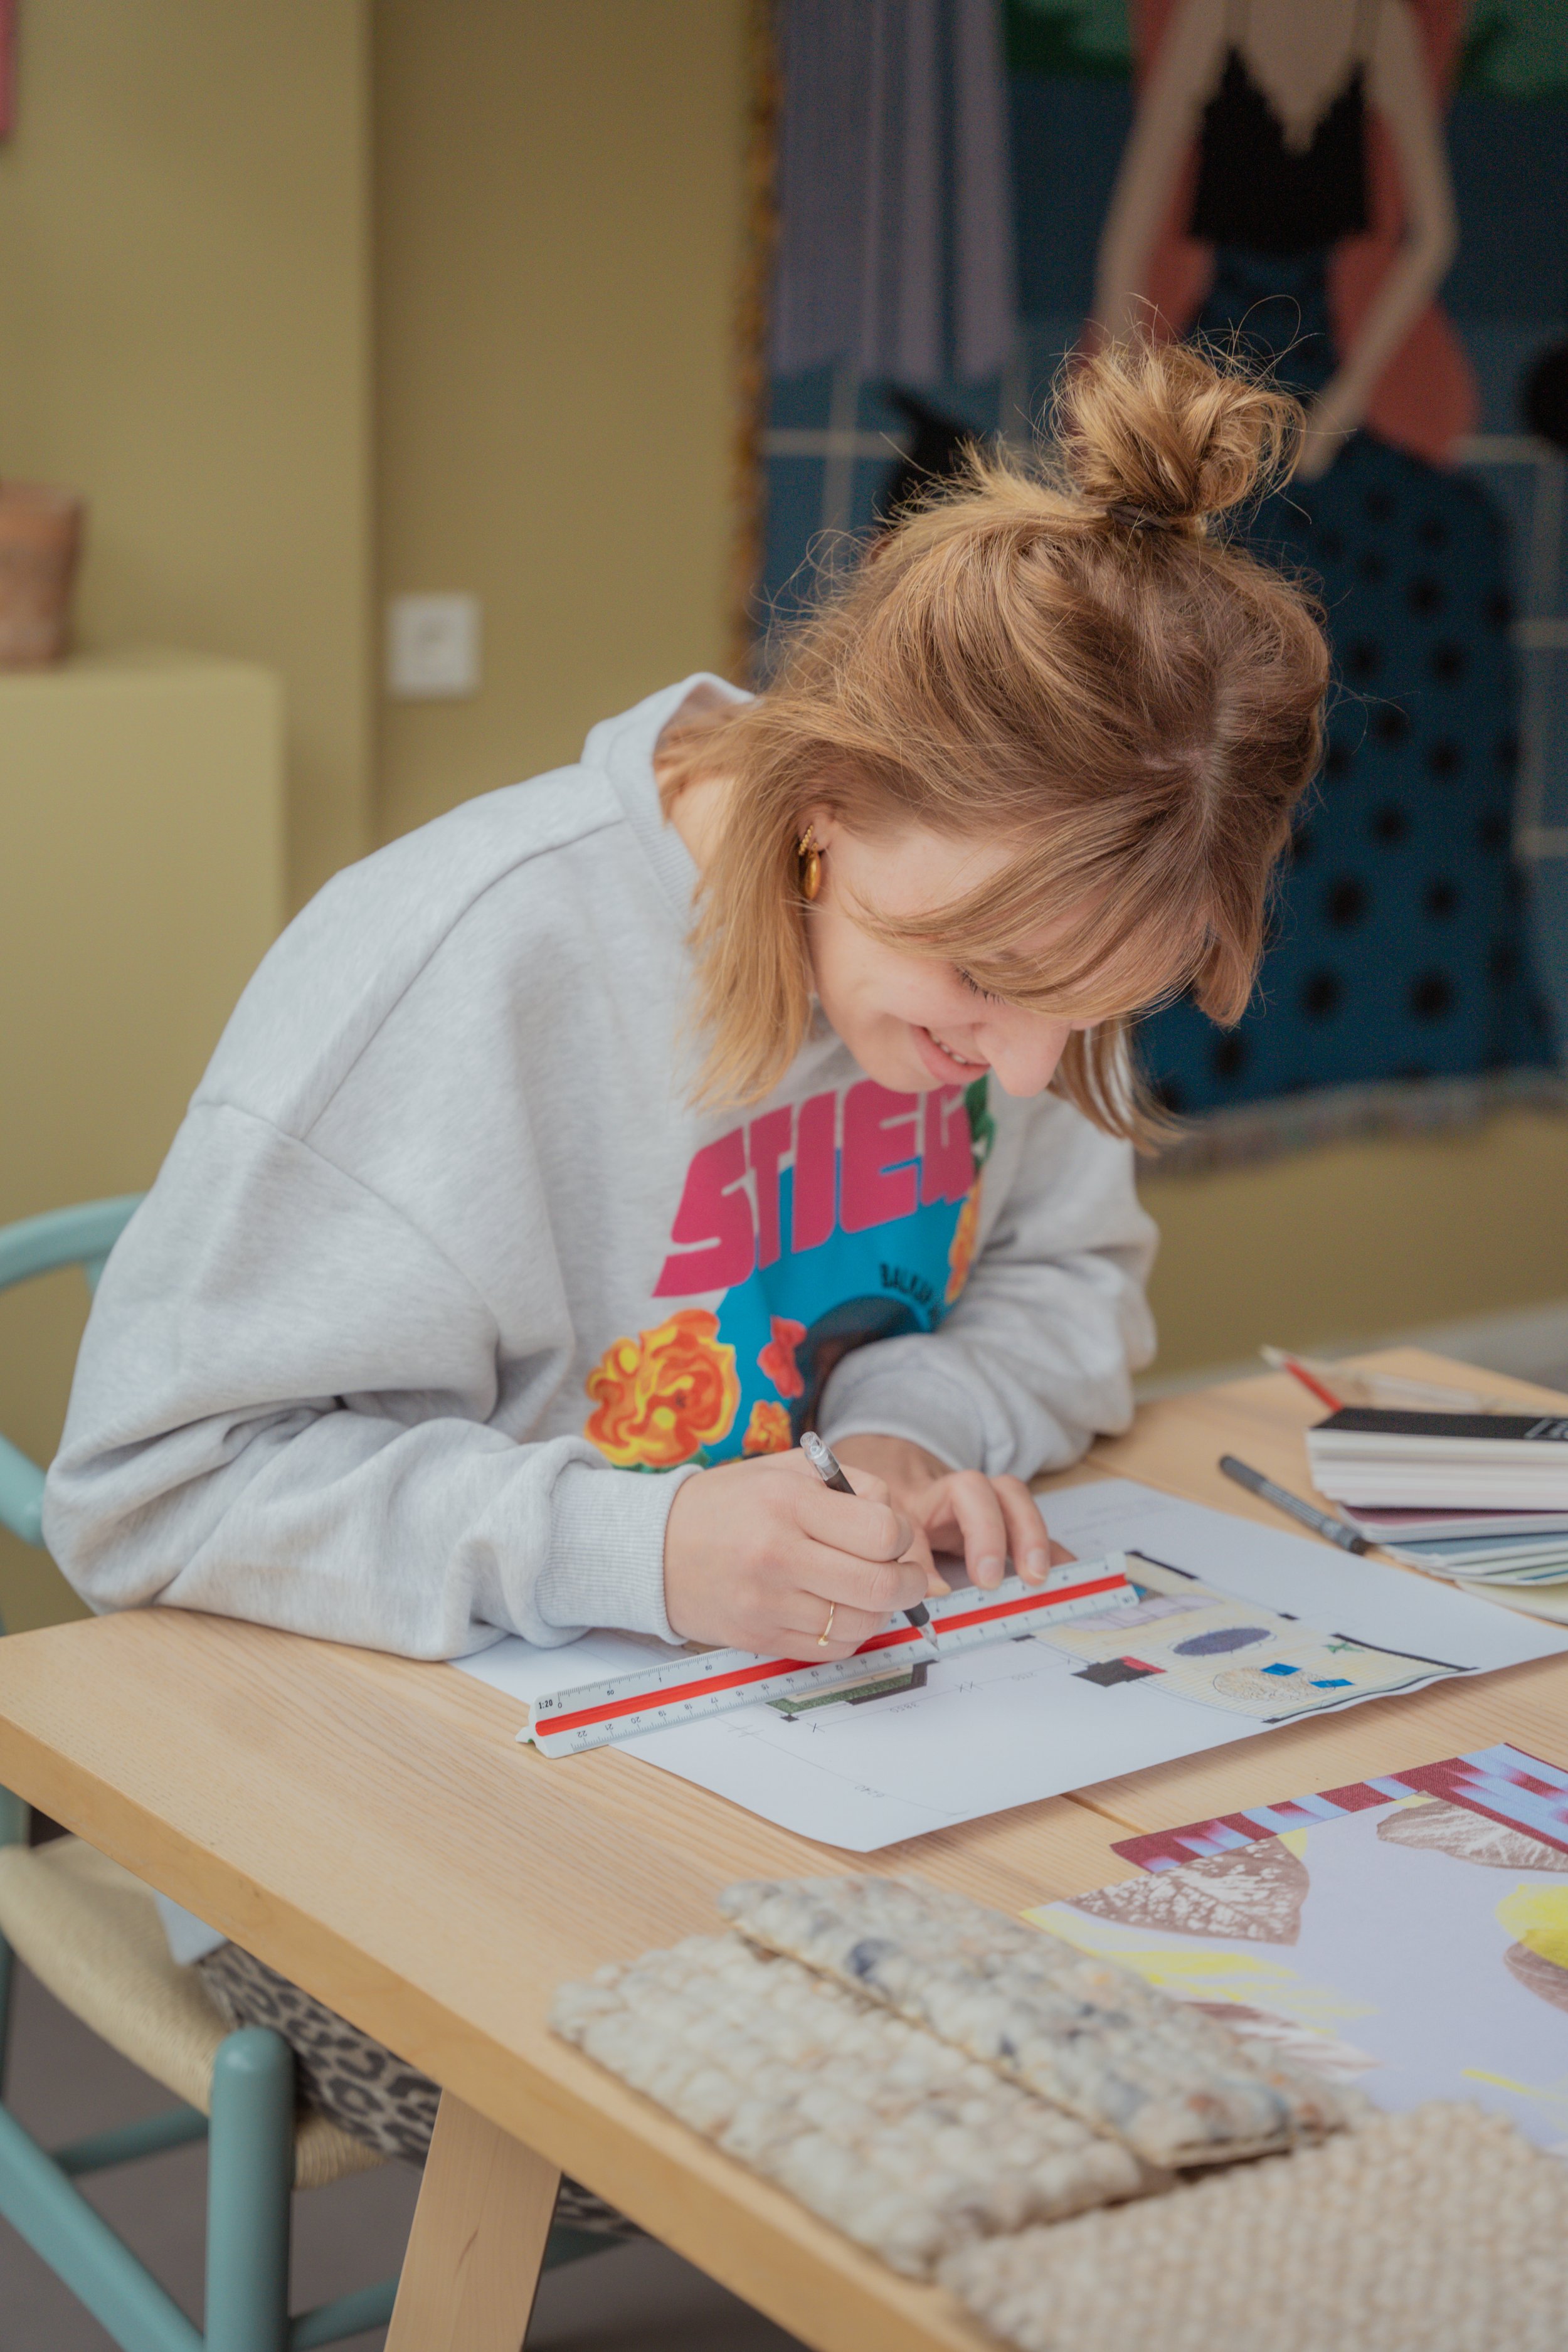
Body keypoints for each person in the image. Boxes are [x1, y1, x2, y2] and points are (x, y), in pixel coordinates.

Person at [43, 337, 1328, 2181]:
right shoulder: (470, 968)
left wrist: (906, 1423)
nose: (1027, 1073)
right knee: (855, 2117)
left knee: (1190, 1983)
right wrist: (637, 1545)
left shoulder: (995, 953)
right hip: (363, 1790)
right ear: (821, 811)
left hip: (781, 1751)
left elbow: (1067, 1283)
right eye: (986, 986)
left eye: (1090, 1015)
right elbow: (150, 1498)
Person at [1093, 0, 1543, 1115]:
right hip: (1205, 398)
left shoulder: (1373, 30)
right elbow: (1127, 234)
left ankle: (1424, 1004)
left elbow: (1430, 237)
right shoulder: (1216, 27)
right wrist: (1123, 416)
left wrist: (1342, 406)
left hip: (1325, 397)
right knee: (1205, 627)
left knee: (1446, 558)